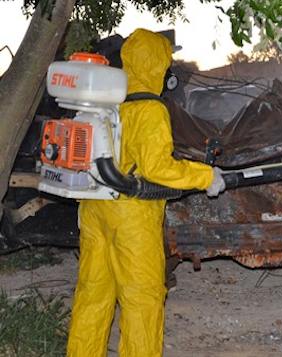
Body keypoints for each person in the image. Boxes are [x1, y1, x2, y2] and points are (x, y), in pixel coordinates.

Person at [66, 28, 225, 357]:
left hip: (96, 209)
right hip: (132, 217)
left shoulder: (111, 103)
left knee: (92, 295)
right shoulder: (151, 110)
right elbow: (158, 170)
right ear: (156, 65)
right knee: (142, 300)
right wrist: (205, 175)